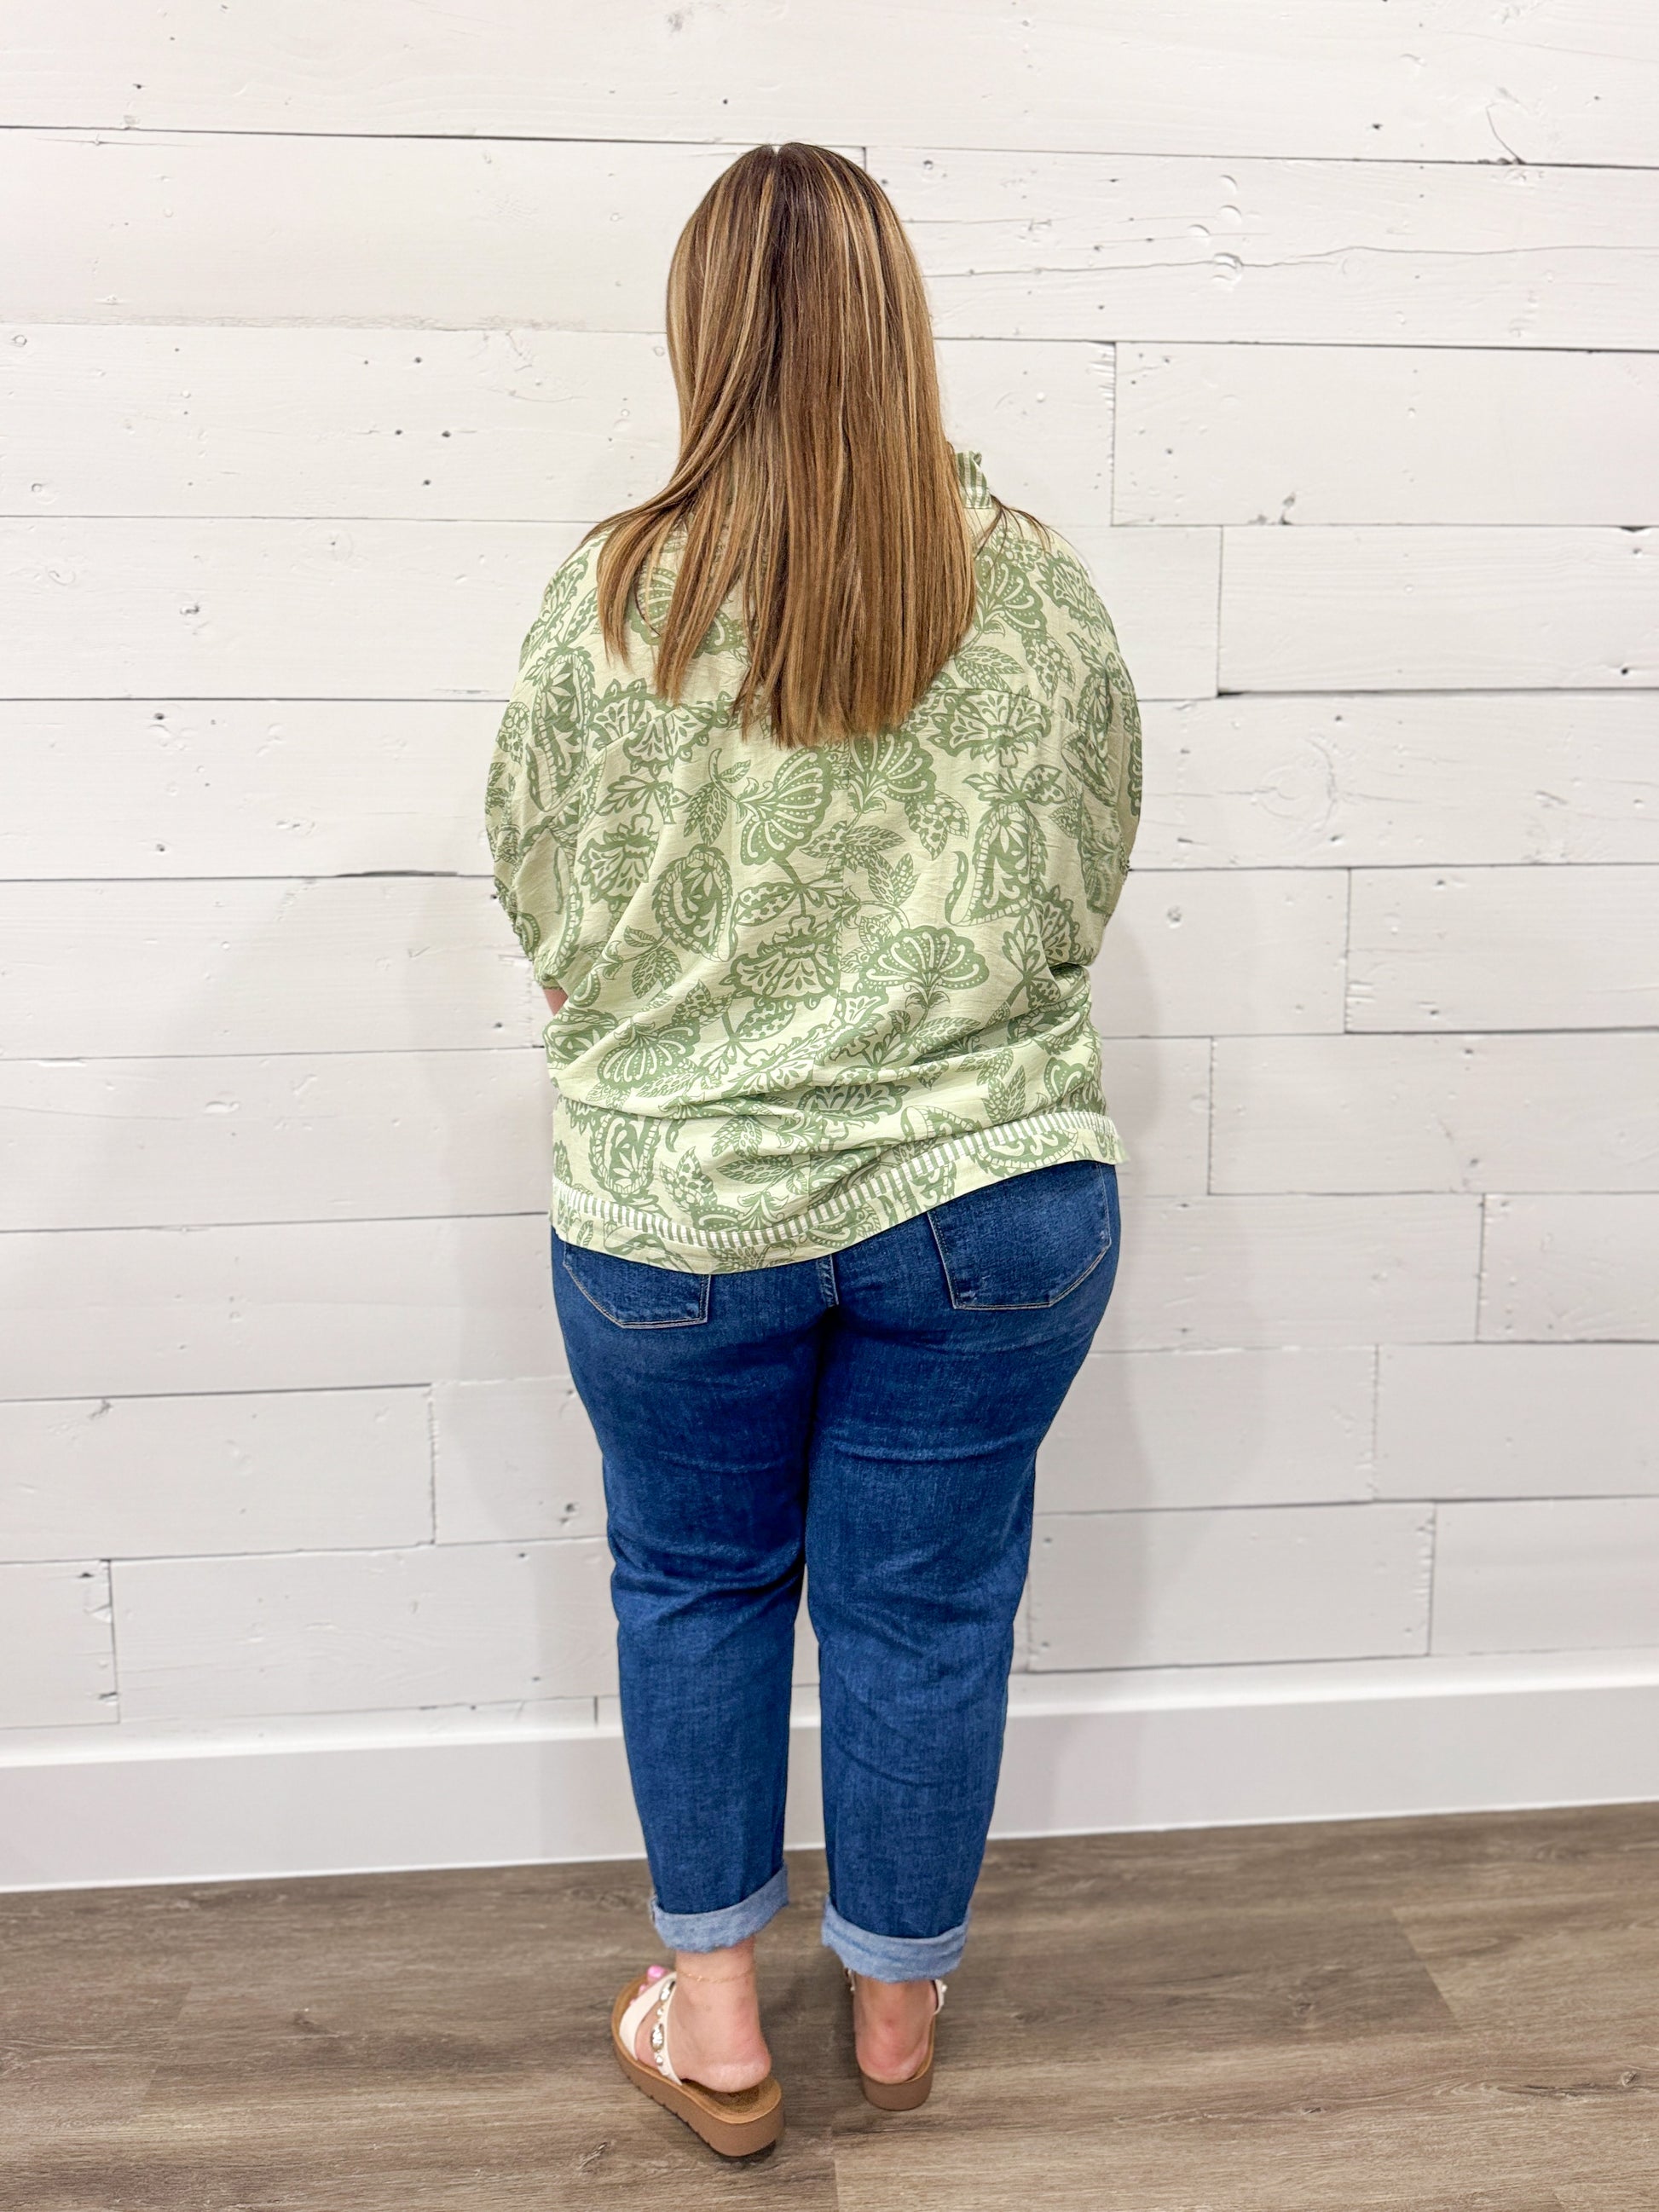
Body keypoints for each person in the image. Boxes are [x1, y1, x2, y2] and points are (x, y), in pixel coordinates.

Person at [484, 141, 1141, 2159]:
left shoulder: (614, 589)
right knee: (926, 1606)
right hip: (990, 1188)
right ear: (901, 321)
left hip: (679, 1201)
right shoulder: (1023, 581)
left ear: (701, 331)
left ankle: (714, 2025)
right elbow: (1082, 871)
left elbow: (543, 889)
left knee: (691, 1582)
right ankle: (891, 2011)